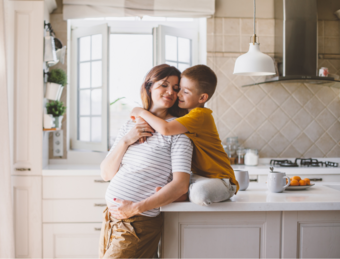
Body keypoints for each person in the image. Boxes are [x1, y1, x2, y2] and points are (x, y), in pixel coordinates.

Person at [99, 64, 193, 258]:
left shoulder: (178, 133)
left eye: (176, 88)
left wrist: (133, 208)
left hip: (137, 224)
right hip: (110, 219)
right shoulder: (130, 125)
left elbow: (181, 185)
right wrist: (127, 140)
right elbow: (106, 174)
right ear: (149, 87)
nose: (170, 92)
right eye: (164, 85)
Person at [131, 64, 239, 206]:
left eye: (185, 91)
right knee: (180, 184)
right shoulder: (186, 117)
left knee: (200, 194)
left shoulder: (200, 115)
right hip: (197, 177)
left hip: (221, 180)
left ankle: (183, 194)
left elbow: (166, 128)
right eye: (179, 89)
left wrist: (141, 111)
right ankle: (182, 193)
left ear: (202, 98)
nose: (178, 94)